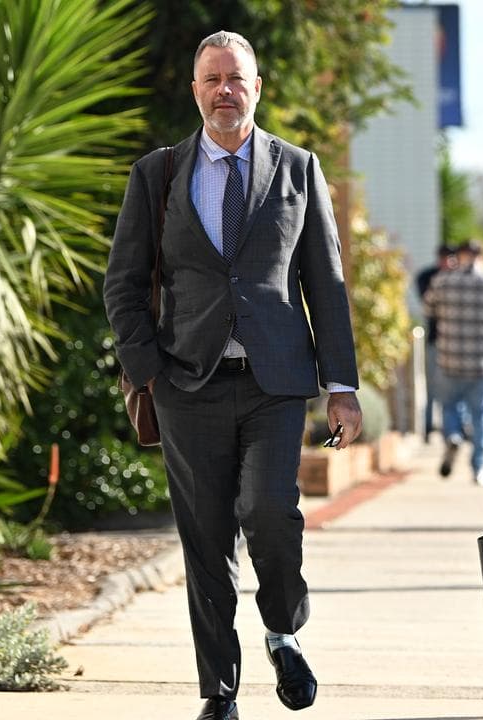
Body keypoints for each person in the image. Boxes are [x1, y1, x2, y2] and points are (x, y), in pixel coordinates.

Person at [103, 30, 363, 720]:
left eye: (236, 78)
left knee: (268, 514)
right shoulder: (157, 175)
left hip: (276, 383)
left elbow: (326, 284)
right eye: (212, 79)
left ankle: (283, 630)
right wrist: (147, 372)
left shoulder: (298, 169)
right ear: (195, 91)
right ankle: (219, 691)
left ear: (256, 87)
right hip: (186, 384)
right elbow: (122, 286)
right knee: (206, 540)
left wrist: (342, 384)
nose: (225, 90)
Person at [423, 239, 483, 484]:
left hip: (449, 359)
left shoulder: (443, 281)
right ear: (481, 256)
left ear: (460, 255)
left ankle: (452, 436)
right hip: (482, 362)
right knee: (481, 415)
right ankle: (478, 468)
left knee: (449, 406)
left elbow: (428, 308)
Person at [415, 245, 457, 443]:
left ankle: (456, 429)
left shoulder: (460, 277)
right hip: (435, 340)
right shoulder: (428, 276)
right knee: (432, 386)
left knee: (455, 387)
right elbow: (427, 304)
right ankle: (428, 427)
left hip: (457, 342)